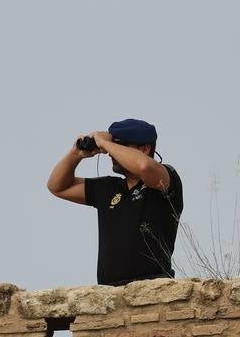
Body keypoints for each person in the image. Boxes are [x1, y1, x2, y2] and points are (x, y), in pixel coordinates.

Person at [47, 118, 183, 286]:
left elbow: (144, 167)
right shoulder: (109, 187)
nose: (111, 153)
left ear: (145, 149)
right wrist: (75, 154)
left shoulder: (165, 177)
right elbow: (57, 186)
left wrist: (106, 142)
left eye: (121, 145)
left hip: (153, 288)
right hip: (110, 295)